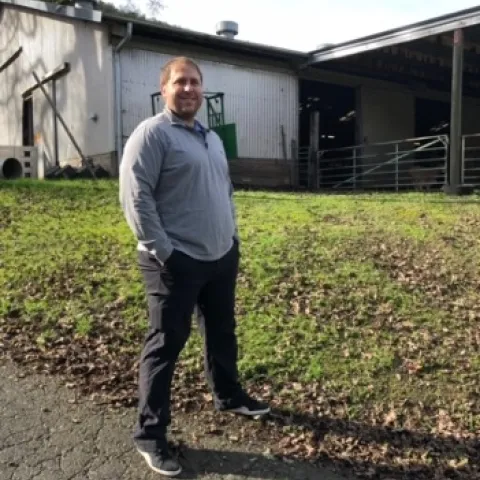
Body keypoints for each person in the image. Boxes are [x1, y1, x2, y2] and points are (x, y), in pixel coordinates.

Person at [119, 56, 270, 477]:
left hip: (220, 256)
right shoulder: (151, 135)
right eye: (180, 82)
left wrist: (233, 239)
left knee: (222, 330)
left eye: (195, 83)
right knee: (165, 344)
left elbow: (224, 190)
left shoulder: (211, 138)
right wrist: (166, 252)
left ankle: (229, 395)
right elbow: (137, 199)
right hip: (173, 262)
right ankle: (150, 436)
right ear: (164, 88)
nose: (188, 89)